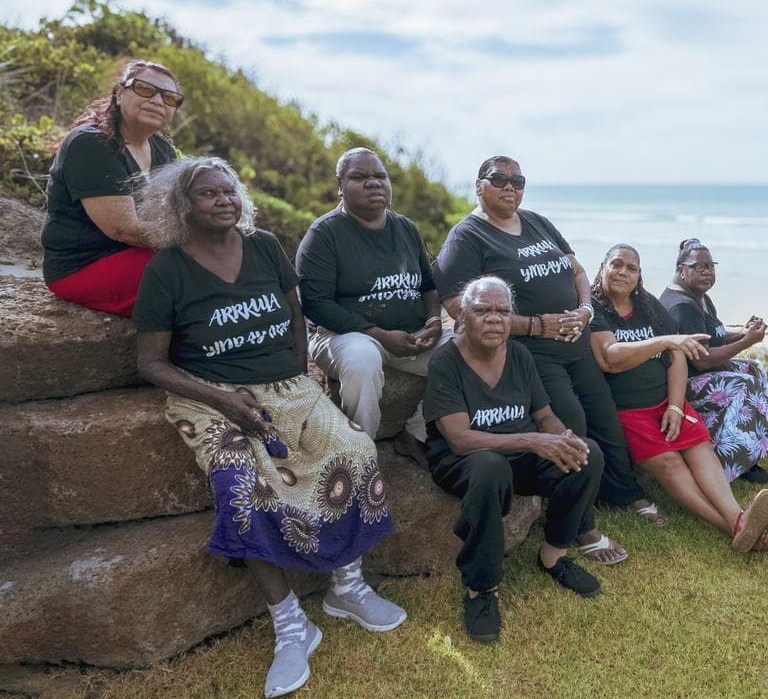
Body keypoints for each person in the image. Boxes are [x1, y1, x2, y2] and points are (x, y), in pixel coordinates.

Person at [132, 157, 405, 698]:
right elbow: (151, 363)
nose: (224, 201)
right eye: (208, 194)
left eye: (229, 191)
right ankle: (289, 624)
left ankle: (346, 587)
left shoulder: (264, 246)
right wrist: (221, 399)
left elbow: (294, 314)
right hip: (214, 399)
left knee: (354, 449)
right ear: (182, 206)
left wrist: (304, 380)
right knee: (241, 486)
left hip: (289, 385)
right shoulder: (166, 270)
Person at [434, 155, 657, 564]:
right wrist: (537, 325)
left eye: (518, 180)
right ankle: (583, 526)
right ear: (479, 184)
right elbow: (458, 306)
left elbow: (575, 270)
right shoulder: (467, 237)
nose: (510, 187)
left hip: (577, 343)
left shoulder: (537, 221)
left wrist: (587, 309)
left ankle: (626, 494)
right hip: (535, 356)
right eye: (499, 179)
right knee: (570, 422)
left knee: (604, 420)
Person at [422, 277, 609, 643]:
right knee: (490, 468)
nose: (494, 319)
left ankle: (553, 556)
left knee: (588, 454)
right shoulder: (446, 360)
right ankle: (481, 588)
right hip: (466, 462)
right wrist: (532, 439)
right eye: (482, 310)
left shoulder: (519, 355)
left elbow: (544, 415)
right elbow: (460, 440)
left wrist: (561, 438)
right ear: (462, 316)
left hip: (522, 454)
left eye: (502, 311)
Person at [590, 244, 768, 551]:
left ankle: (738, 517)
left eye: (632, 268)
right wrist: (664, 340)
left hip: (666, 401)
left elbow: (677, 354)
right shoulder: (594, 309)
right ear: (602, 268)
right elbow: (610, 358)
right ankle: (735, 526)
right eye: (617, 265)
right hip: (628, 411)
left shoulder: (647, 305)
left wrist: (677, 406)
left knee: (698, 449)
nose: (623, 272)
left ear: (640, 276)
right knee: (670, 464)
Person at [296, 147, 445, 462]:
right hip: (345, 336)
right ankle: (361, 454)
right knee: (363, 361)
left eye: (380, 176)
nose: (373, 183)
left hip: (411, 332)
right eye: (359, 177)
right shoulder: (324, 234)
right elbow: (316, 304)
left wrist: (433, 324)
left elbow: (429, 287)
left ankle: (415, 434)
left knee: (467, 348)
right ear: (340, 186)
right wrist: (379, 334)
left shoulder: (405, 228)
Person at [42, 59, 182, 316]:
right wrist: (200, 242)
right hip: (84, 267)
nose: (158, 101)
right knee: (195, 272)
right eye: (145, 89)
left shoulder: (163, 149)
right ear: (119, 93)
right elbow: (123, 228)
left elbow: (169, 213)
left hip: (138, 254)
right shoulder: (92, 143)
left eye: (170, 98)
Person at [658, 239, 768, 485]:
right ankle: (738, 461)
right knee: (742, 384)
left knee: (754, 368)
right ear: (681, 270)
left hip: (699, 373)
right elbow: (703, 360)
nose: (707, 271)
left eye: (711, 266)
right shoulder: (682, 306)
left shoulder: (698, 295)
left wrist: (743, 331)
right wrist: (748, 341)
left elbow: (713, 333)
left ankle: (761, 441)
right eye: (699, 266)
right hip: (684, 381)